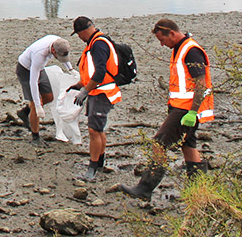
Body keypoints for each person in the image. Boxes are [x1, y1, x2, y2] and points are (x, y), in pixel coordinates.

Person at [122, 18, 214, 200]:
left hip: (186, 110)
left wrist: (193, 112)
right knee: (188, 145)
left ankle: (145, 188)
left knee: (159, 144)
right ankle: (199, 191)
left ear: (171, 33)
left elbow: (201, 84)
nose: (162, 45)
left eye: (162, 40)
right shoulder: (180, 49)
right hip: (180, 108)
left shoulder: (191, 51)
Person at [68, 16, 123, 181]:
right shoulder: (95, 42)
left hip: (101, 93)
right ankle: (99, 162)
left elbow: (100, 72)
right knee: (98, 129)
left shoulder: (98, 44)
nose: (79, 37)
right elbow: (93, 71)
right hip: (97, 91)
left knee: (94, 130)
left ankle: (92, 168)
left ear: (84, 31)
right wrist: (80, 85)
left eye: (78, 34)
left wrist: (85, 90)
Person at [15, 35, 73, 147]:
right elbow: (33, 82)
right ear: (52, 50)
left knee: (49, 97)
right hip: (26, 70)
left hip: (40, 69)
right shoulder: (39, 54)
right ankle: (35, 136)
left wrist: (70, 70)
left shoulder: (60, 43)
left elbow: (64, 56)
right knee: (37, 103)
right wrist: (37, 105)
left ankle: (24, 112)